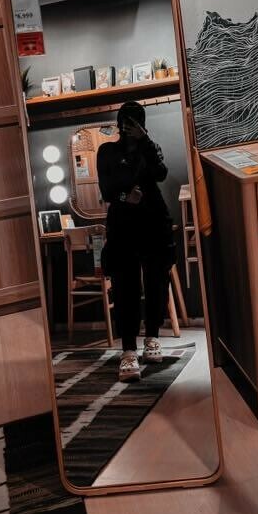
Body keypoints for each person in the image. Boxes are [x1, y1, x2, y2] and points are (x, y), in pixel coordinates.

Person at [97, 101, 175, 382]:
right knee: (124, 285)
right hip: (122, 225)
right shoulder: (107, 151)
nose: (129, 126)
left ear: (143, 124)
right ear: (119, 123)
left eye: (135, 122)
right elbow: (106, 190)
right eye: (126, 121)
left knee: (156, 281)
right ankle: (128, 350)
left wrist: (145, 140)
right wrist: (125, 197)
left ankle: (152, 337)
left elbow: (161, 173)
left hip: (154, 221)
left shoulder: (150, 148)